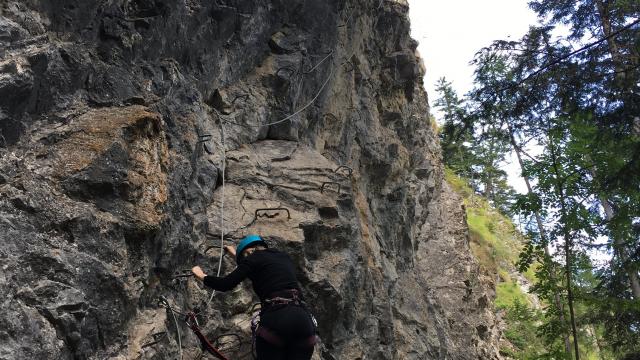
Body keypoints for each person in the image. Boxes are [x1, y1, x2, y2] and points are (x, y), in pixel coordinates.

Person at [192, 234, 317, 360]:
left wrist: (203, 276)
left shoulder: (252, 259)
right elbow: (262, 269)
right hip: (304, 322)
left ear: (249, 252)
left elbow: (225, 284)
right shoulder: (283, 257)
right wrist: (237, 256)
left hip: (277, 321)